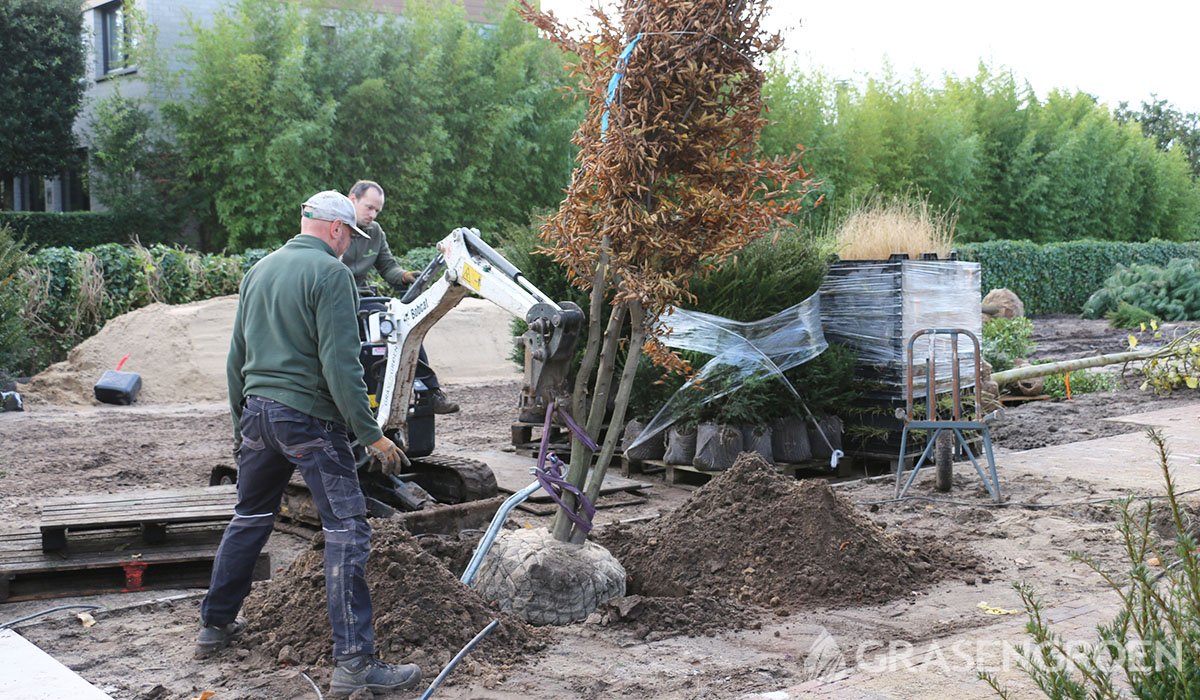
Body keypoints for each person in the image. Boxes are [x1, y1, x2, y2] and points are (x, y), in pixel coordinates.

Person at [197, 190, 422, 698]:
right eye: (351, 237)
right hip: (308, 422)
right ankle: (355, 666)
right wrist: (371, 435)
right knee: (347, 530)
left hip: (257, 414)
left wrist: (241, 429)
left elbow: (236, 359)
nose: (350, 247)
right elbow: (341, 365)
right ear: (338, 230)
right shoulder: (332, 275)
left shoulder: (259, 271)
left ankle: (214, 625)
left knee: (251, 517)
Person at [344, 179, 459, 414]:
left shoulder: (374, 233)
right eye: (369, 207)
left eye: (377, 210)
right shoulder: (336, 228)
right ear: (352, 199)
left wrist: (407, 276)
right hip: (339, 298)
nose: (373, 215)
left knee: (406, 324)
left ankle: (429, 389)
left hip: (365, 301)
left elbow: (388, 268)